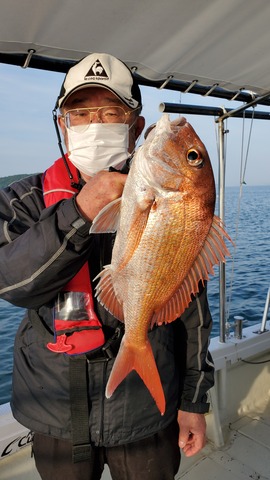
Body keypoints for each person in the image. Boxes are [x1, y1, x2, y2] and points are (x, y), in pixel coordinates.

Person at [0, 52, 214, 480]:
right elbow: (13, 284)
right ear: (63, 124)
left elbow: (192, 311)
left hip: (145, 410)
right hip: (54, 409)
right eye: (80, 114)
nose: (94, 124)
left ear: (136, 127)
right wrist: (79, 212)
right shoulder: (21, 200)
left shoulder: (166, 200)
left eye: (110, 112)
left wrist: (194, 401)